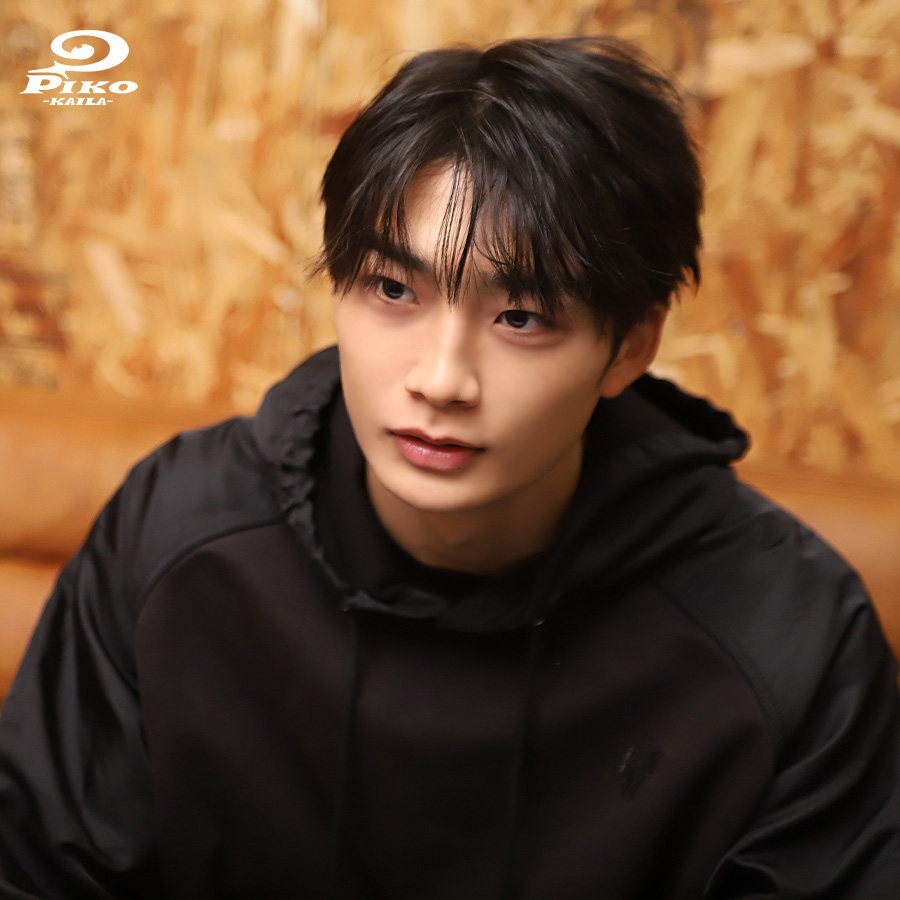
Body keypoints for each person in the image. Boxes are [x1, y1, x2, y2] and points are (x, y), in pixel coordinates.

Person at [0, 34, 898, 900]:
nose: (440, 380)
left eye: (522, 317)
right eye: (394, 290)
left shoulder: (788, 632)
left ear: (630, 346)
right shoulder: (179, 530)